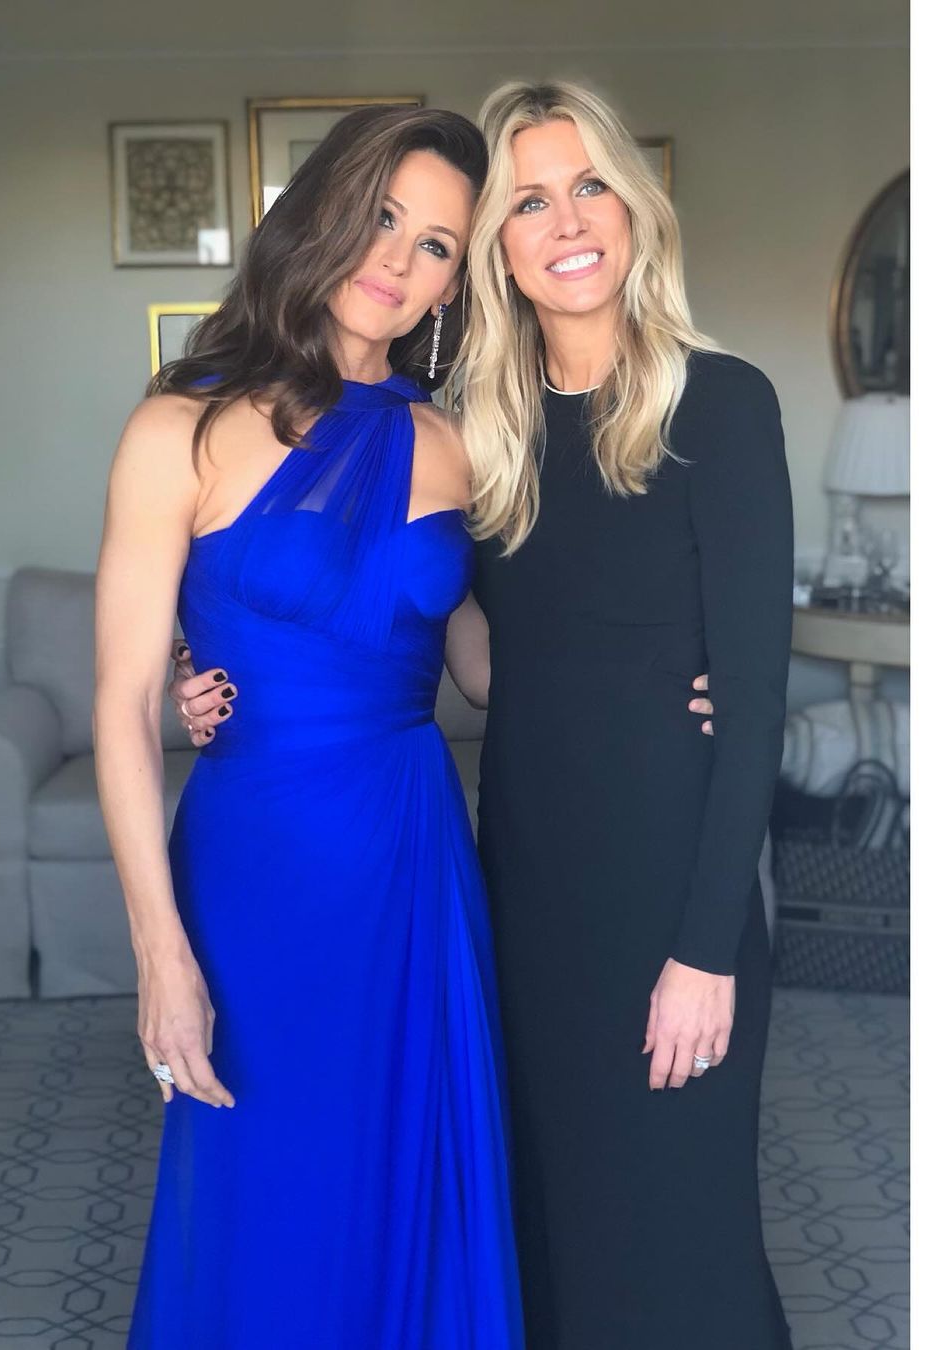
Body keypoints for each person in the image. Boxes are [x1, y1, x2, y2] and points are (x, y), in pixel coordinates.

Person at [171, 78, 793, 1350]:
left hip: (669, 893)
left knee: (686, 1241)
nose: (567, 222)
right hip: (516, 889)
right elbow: (461, 654)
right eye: (527, 202)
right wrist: (218, 655)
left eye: (591, 186)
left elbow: (757, 704)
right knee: (544, 1237)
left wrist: (707, 951)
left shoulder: (724, 403)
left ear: (635, 208)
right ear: (495, 254)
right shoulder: (479, 433)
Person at [94, 105, 525, 1349]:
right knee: (268, 1194)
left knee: (410, 1175)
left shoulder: (455, 439)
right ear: (324, 208)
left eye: (437, 244)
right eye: (383, 216)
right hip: (256, 868)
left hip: (412, 857)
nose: (399, 258)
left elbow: (486, 669)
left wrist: (659, 676)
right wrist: (161, 957)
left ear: (456, 282)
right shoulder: (179, 423)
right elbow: (120, 701)